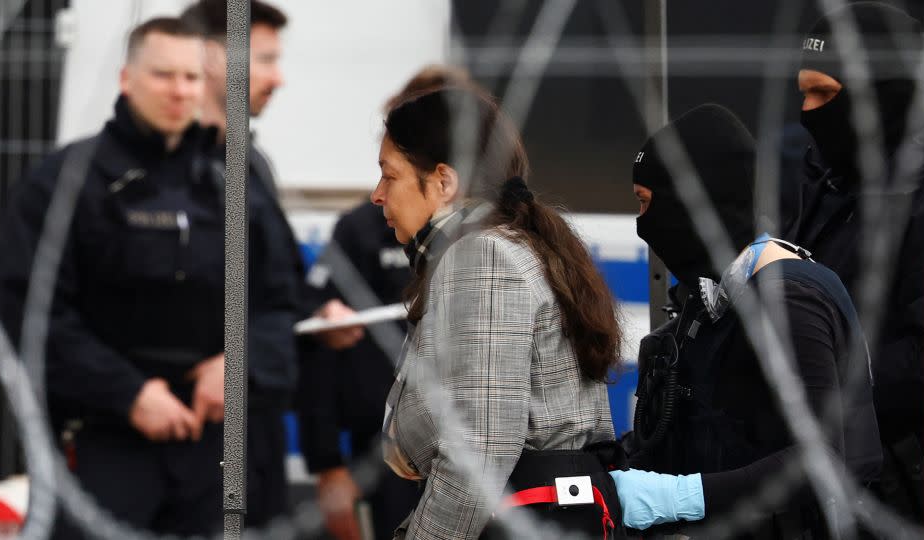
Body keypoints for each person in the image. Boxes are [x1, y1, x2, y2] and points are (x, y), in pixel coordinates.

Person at [0, 18, 229, 537]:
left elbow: (278, 301)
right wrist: (129, 393)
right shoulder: (62, 183)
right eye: (163, 74)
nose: (179, 90)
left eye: (191, 77)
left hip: (212, 451)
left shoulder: (233, 184)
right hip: (101, 439)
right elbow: (28, 311)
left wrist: (238, 363)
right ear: (126, 78)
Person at [614, 104, 882, 537]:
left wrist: (681, 497)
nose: (643, 225)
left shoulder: (790, 296)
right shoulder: (715, 298)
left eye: (646, 204)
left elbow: (825, 457)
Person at [373, 86, 626, 539]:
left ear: (444, 183)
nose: (377, 195)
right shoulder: (507, 245)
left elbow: (480, 448)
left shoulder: (483, 256)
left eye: (389, 176)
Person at [180, 0, 363, 527]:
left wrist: (317, 314)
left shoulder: (249, 161)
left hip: (255, 419)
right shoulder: (172, 170)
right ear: (212, 58)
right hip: (198, 420)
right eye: (264, 60)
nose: (278, 79)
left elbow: (267, 286)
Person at [298, 65, 473, 540]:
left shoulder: (501, 244)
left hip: (475, 458)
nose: (381, 192)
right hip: (382, 453)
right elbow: (317, 341)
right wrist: (327, 465)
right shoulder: (361, 228)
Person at [784, 2, 924, 522]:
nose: (808, 111)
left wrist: (823, 396)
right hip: (827, 482)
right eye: (803, 92)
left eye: (825, 93)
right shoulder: (823, 179)